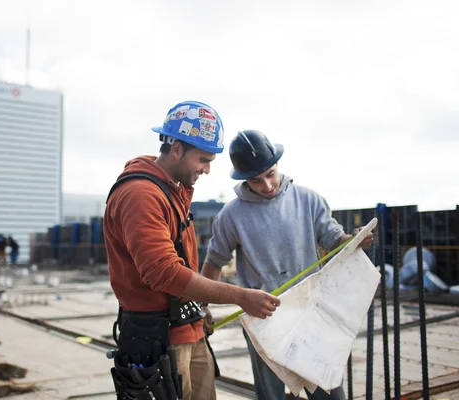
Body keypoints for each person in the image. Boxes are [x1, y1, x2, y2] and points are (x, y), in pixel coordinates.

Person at [104, 103, 281, 400]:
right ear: (176, 150)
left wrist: (201, 308)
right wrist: (239, 296)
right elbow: (163, 272)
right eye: (203, 159)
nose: (207, 169)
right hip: (160, 339)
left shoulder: (171, 189)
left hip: (188, 331)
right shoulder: (141, 195)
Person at [200, 130, 374, 400]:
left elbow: (336, 240)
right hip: (263, 318)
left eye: (270, 174)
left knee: (327, 390)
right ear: (244, 180)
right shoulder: (231, 216)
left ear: (278, 164)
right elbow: (214, 262)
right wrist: (202, 307)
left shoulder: (308, 199)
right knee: (270, 394)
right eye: (257, 181)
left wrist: (355, 239)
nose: (267, 185)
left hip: (311, 313)